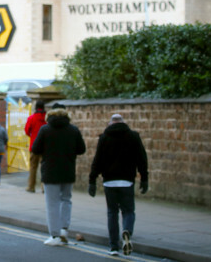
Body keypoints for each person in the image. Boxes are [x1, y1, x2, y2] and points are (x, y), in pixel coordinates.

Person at [88, 113, 149, 256]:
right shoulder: (133, 136)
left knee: (112, 213)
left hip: (109, 181)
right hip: (127, 181)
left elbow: (97, 160)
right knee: (128, 211)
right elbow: (142, 158)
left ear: (111, 123)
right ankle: (127, 231)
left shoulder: (104, 137)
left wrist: (92, 180)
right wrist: (144, 178)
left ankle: (113, 246)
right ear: (123, 122)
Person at [32, 102, 86, 246]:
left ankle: (54, 235)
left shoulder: (45, 129)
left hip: (50, 170)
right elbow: (81, 149)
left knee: (52, 203)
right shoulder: (73, 129)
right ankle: (63, 230)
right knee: (66, 200)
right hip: (68, 169)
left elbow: (35, 148)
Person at [25, 100, 47, 192]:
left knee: (33, 167)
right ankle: (44, 187)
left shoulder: (31, 118)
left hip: (34, 145)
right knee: (44, 167)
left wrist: (32, 135)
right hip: (45, 146)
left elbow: (26, 130)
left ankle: (31, 186)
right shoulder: (46, 118)